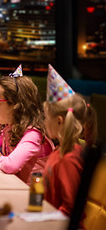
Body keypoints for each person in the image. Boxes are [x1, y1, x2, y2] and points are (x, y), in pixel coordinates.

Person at [43, 66, 97, 216]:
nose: (45, 122)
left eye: (47, 117)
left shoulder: (69, 159)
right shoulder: (58, 151)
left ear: (60, 121)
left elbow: (70, 210)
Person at [0, 74, 53, 184]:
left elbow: (10, 166)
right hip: (16, 187)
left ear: (15, 105)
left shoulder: (33, 135)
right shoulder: (10, 128)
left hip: (34, 196)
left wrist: (0, 158)